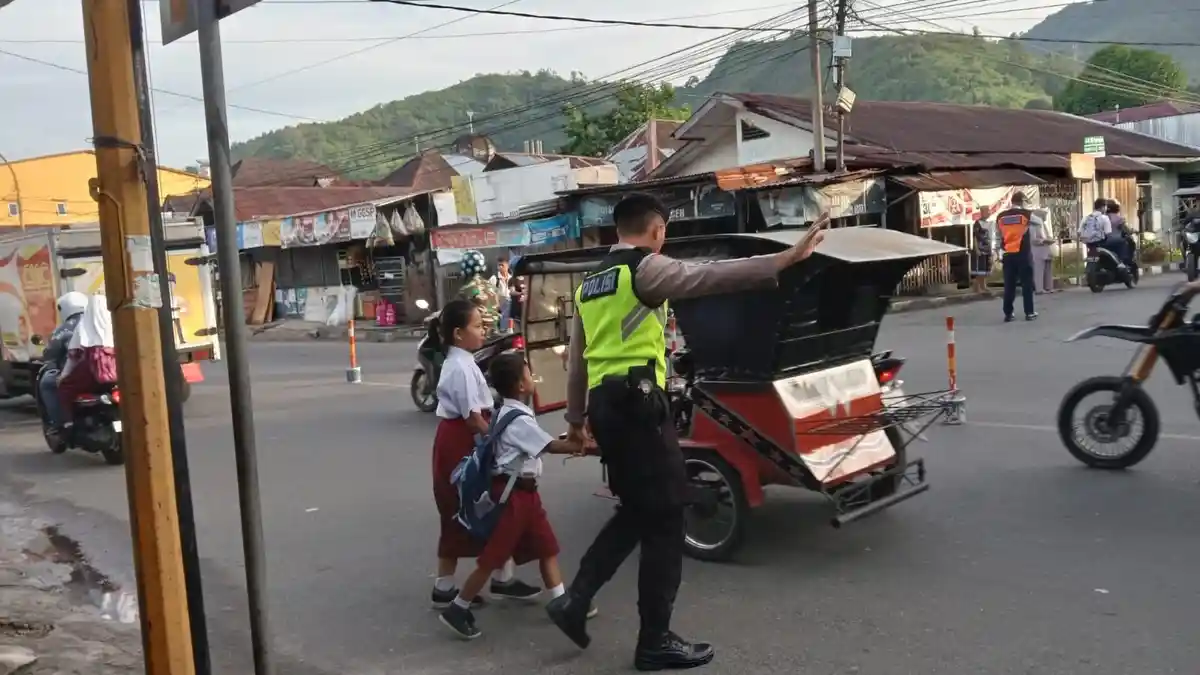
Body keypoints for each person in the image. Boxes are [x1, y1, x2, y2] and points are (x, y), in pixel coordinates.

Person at [546, 192, 827, 671]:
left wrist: (576, 422)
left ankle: (575, 601)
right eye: (664, 232)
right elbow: (709, 277)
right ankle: (653, 641)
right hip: (638, 405)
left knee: (640, 510)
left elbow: (577, 361)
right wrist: (785, 259)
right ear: (657, 230)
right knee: (667, 516)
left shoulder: (591, 282)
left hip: (605, 407)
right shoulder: (645, 269)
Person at [439, 352, 594, 640]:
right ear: (521, 385)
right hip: (513, 497)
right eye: (528, 374)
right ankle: (458, 608)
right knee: (492, 558)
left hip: (525, 494)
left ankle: (563, 603)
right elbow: (550, 446)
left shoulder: (505, 411)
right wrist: (579, 442)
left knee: (546, 546)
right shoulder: (519, 420)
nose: (533, 377)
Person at [430, 299, 540, 609]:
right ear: (458, 333)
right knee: (468, 509)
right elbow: (473, 419)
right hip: (461, 443)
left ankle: (500, 577)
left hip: (464, 439)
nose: (483, 331)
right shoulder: (461, 368)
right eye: (477, 326)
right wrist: (500, 438)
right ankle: (447, 587)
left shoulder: (463, 362)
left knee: (492, 507)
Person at [40, 292, 89, 434]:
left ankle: (59, 423)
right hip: (109, 371)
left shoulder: (64, 329)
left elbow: (52, 353)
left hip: (80, 374)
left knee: (47, 383)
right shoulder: (102, 322)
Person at [994, 191, 1041, 322]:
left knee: (1009, 285)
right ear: (1022, 202)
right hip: (1023, 253)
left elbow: (998, 235)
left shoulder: (1000, 216)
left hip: (1007, 254)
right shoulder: (1026, 214)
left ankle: (1008, 313)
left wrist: (997, 251)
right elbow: (1039, 222)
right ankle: (1029, 312)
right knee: (1027, 284)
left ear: (1012, 202)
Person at [1030, 207, 1056, 295]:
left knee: (1048, 269)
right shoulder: (1033, 225)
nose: (1045, 217)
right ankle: (1039, 289)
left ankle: (1048, 287)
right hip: (1038, 250)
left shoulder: (1043, 224)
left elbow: (1047, 235)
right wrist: (1043, 241)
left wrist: (1049, 240)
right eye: (1044, 215)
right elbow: (1033, 239)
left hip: (1046, 249)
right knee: (1038, 270)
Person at [970, 206, 993, 293]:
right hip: (980, 249)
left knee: (985, 269)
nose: (989, 213)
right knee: (978, 269)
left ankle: (983, 286)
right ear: (982, 212)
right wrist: (976, 249)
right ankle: (976, 288)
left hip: (987, 249)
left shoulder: (989, 223)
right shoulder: (977, 223)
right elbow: (974, 237)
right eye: (987, 211)